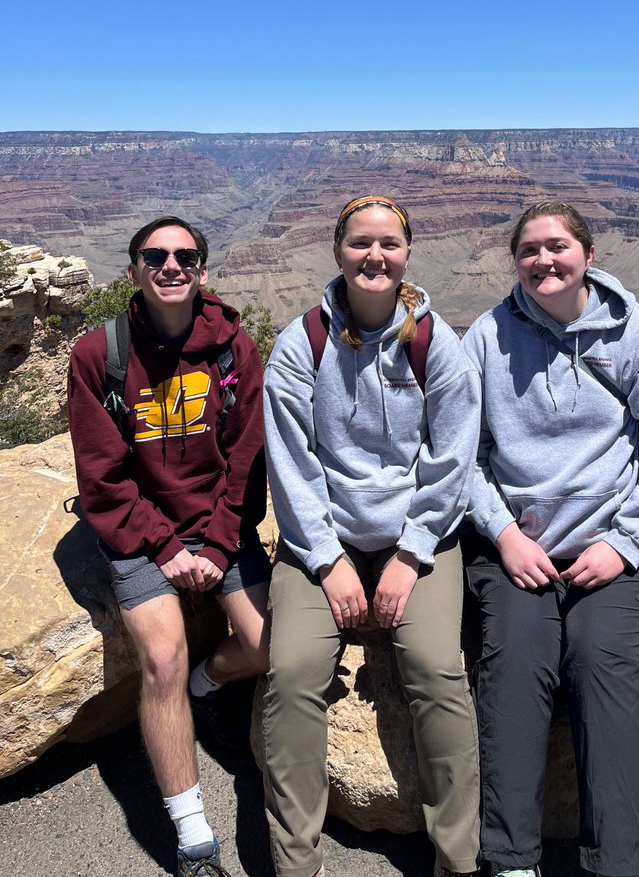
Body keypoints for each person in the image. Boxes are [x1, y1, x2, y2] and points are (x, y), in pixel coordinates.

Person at [463, 200, 639, 877]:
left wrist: (623, 543)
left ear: (589, 256)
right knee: (514, 662)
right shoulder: (486, 336)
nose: (544, 260)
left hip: (617, 547)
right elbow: (462, 456)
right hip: (518, 549)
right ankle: (510, 860)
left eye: (558, 246)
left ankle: (616, 866)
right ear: (515, 261)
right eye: (529, 250)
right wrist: (504, 535)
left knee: (601, 662)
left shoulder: (634, 336)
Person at [263, 195, 481, 877]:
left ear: (407, 252)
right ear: (338, 252)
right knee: (292, 670)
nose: (374, 255)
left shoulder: (435, 344)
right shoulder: (303, 343)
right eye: (360, 242)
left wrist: (410, 556)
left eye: (388, 243)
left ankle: (458, 860)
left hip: (418, 537)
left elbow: (453, 461)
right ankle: (295, 864)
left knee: (437, 671)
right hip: (322, 537)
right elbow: (291, 464)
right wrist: (327, 562)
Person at [67, 216, 270, 877]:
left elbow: (245, 462)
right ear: (133, 271)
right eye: (154, 256)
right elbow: (101, 478)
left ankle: (208, 689)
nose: (170, 265)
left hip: (218, 524)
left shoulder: (234, 348)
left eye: (185, 255)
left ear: (204, 270)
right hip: (139, 529)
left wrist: (215, 544)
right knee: (160, 658)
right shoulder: (100, 355)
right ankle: (194, 842)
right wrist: (165, 549)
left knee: (268, 645)